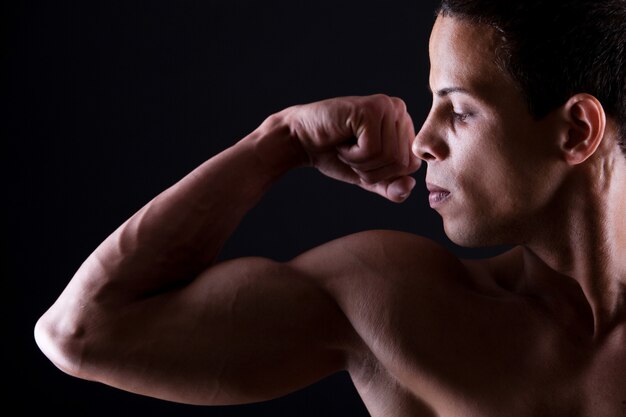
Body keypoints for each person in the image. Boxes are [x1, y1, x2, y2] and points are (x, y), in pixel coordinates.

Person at [34, 0, 625, 415]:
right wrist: (278, 142)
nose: (422, 141)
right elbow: (83, 332)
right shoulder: (395, 307)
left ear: (576, 130)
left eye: (460, 110)